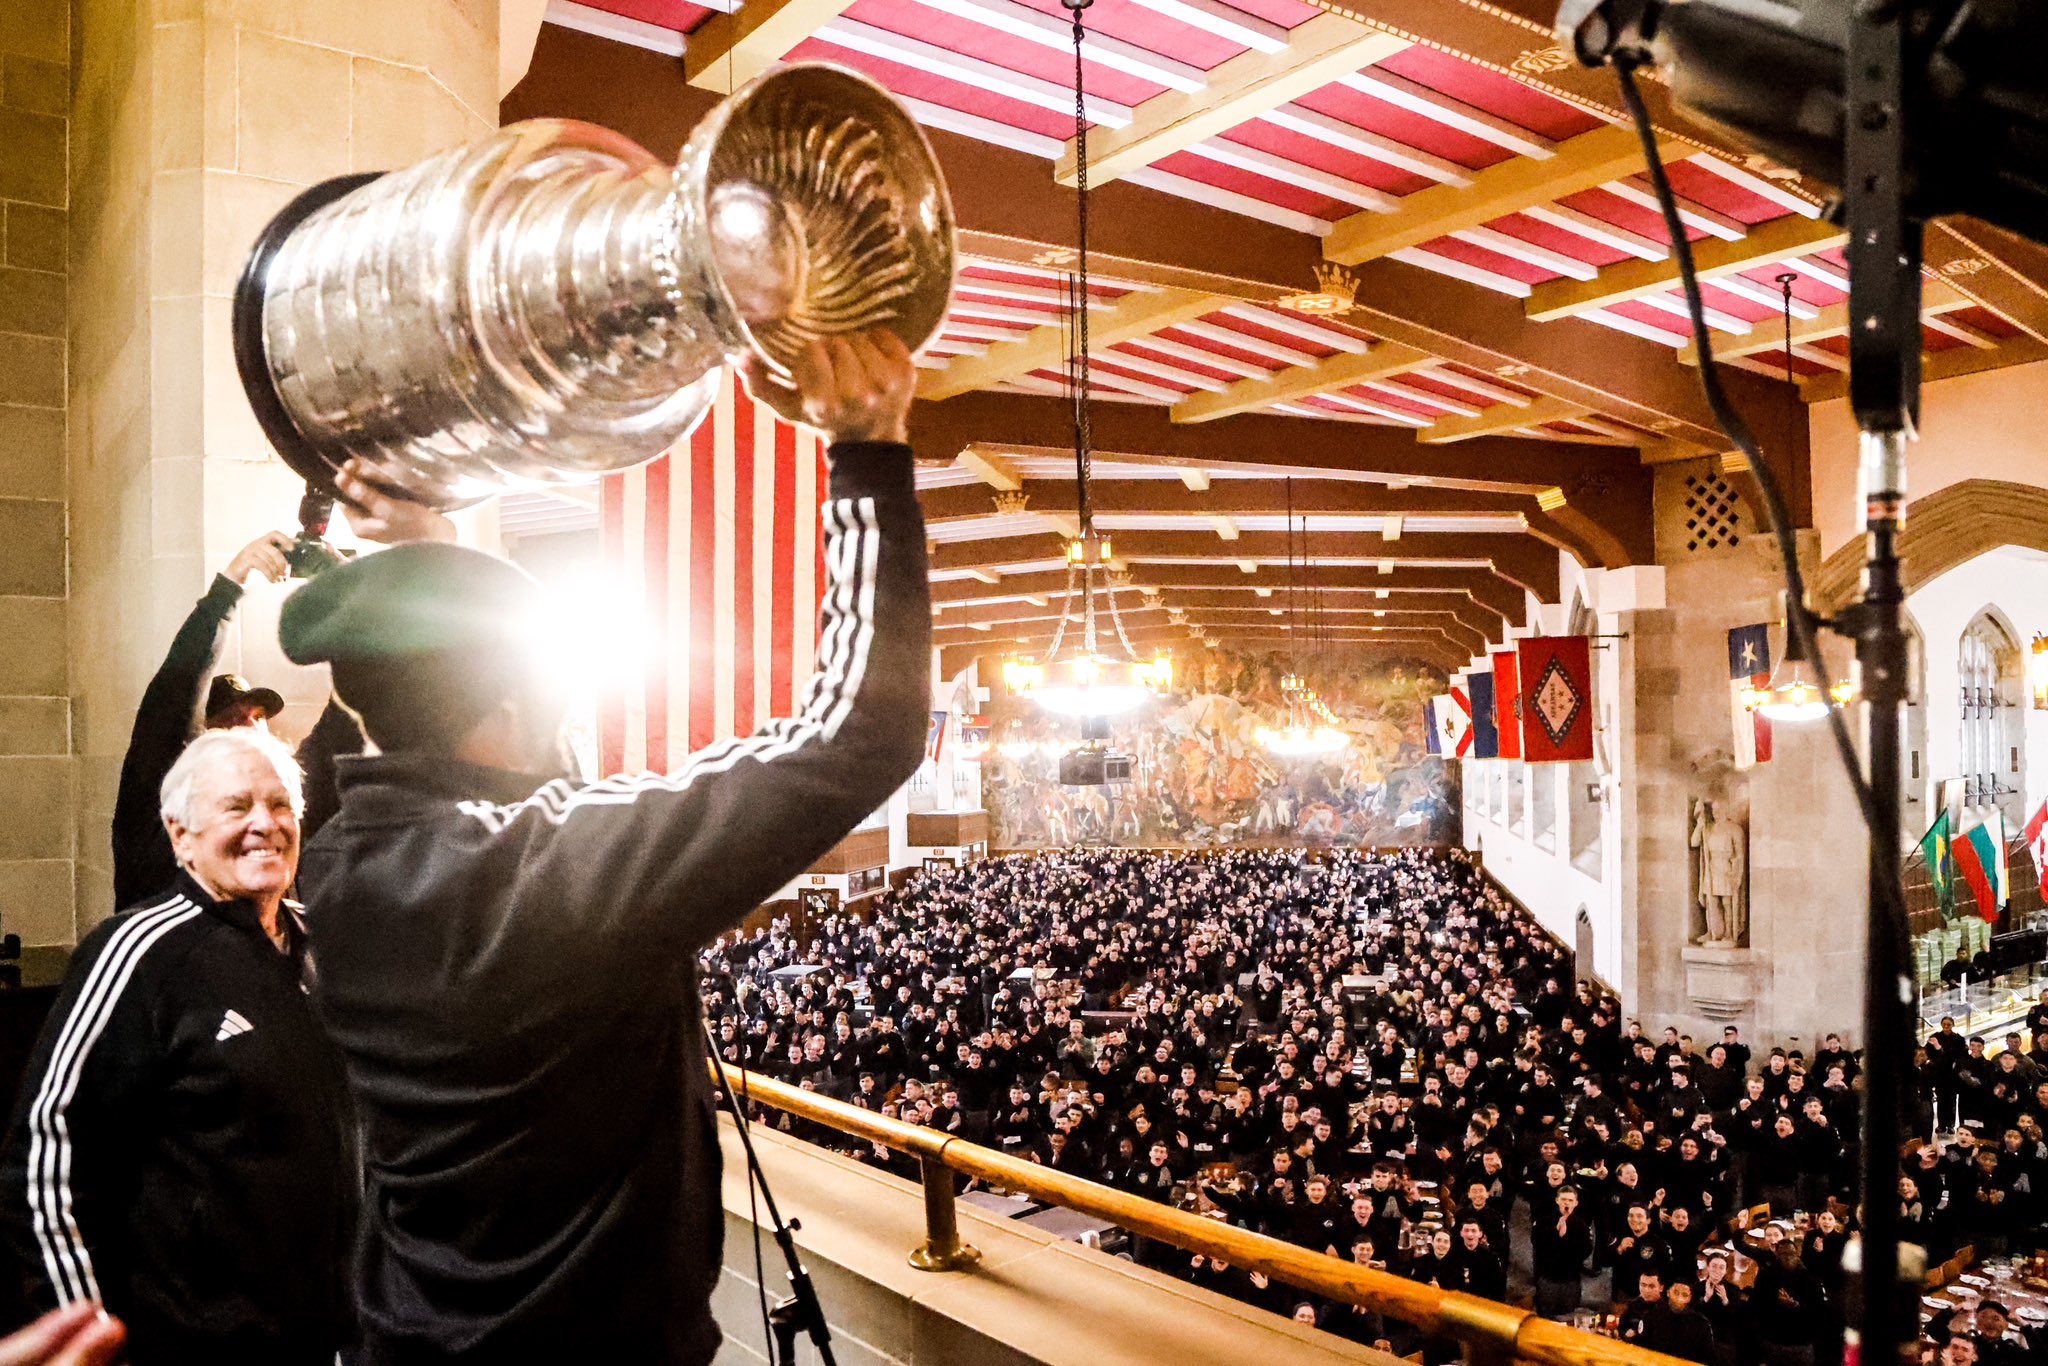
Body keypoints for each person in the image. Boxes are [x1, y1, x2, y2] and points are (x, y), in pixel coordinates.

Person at [285, 333, 931, 1364]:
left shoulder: (339, 859)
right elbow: (862, 733)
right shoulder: (544, 879)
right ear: (515, 703)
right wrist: (867, 452)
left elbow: (523, 790)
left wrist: (427, 565)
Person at [0, 730, 354, 1363]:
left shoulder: (320, 946)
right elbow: (47, 1152)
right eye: (236, 806)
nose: (263, 824)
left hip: (328, 1338)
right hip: (193, 1343)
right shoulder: (138, 953)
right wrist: (92, 1339)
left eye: (280, 806)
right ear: (180, 835)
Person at [108, 531, 295, 908]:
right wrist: (229, 587)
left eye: (258, 716)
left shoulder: (279, 811)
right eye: (234, 718)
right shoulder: (164, 801)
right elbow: (174, 690)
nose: (251, 726)